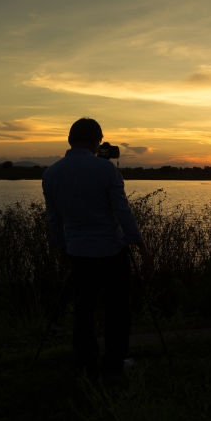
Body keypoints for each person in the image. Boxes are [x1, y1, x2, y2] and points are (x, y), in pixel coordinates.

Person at [42, 117, 152, 378]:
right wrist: (140, 245)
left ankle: (86, 363)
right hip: (112, 251)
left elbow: (54, 220)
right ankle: (114, 365)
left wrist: (60, 249)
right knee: (117, 312)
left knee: (83, 310)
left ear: (70, 140)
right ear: (96, 141)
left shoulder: (52, 173)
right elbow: (122, 212)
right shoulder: (107, 170)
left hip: (77, 253)